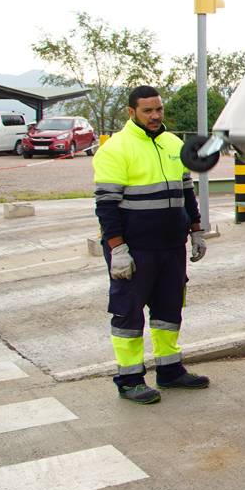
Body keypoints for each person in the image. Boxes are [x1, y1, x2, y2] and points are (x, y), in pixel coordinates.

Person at [93, 86, 210, 404]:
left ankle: (170, 371)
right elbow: (106, 206)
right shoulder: (116, 149)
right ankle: (130, 379)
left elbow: (187, 192)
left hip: (171, 247)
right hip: (134, 250)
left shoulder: (174, 144)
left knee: (169, 310)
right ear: (131, 113)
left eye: (158, 109)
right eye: (148, 111)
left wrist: (196, 230)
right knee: (128, 314)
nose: (156, 115)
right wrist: (117, 249)